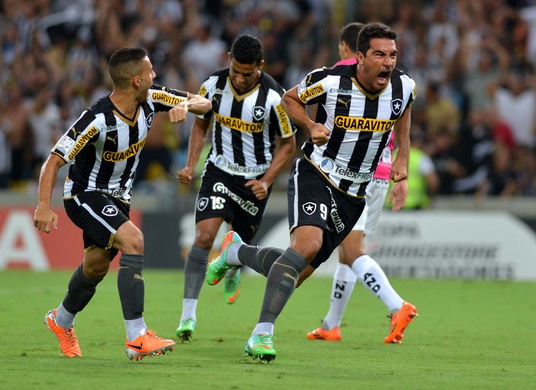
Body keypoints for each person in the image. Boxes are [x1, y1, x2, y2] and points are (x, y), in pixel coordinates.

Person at [206, 22, 416, 362]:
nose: (388, 62)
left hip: (354, 195)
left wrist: (402, 164)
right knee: (307, 245)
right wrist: (310, 125)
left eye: (392, 55)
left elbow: (403, 117)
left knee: (295, 272)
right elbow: (290, 98)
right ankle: (261, 334)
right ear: (360, 57)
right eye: (379, 54)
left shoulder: (403, 87)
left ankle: (236, 252)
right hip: (317, 173)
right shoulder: (331, 81)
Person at [33, 47, 211, 360]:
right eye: (151, 72)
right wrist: (43, 207)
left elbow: (205, 102)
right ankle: (136, 337)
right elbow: (54, 160)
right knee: (134, 240)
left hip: (119, 198)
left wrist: (185, 105)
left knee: (96, 266)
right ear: (136, 81)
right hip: (84, 195)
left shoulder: (152, 97)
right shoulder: (97, 118)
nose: (156, 76)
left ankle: (60, 320)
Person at [175, 34, 297, 341]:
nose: (240, 79)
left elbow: (288, 145)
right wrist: (191, 165)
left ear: (260, 66)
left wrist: (267, 181)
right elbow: (201, 126)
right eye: (235, 71)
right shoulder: (212, 86)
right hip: (218, 170)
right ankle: (187, 316)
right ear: (228, 59)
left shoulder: (274, 98)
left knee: (240, 242)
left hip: (253, 181)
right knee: (203, 237)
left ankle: (232, 266)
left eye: (248, 73)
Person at [306, 22, 415, 343]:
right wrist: (402, 167)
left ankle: (397, 306)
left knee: (351, 250)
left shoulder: (343, 73)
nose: (386, 61)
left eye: (390, 54)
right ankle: (331, 325)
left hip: (353, 174)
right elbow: (403, 120)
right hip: (383, 173)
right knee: (347, 251)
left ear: (347, 49)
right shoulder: (398, 84)